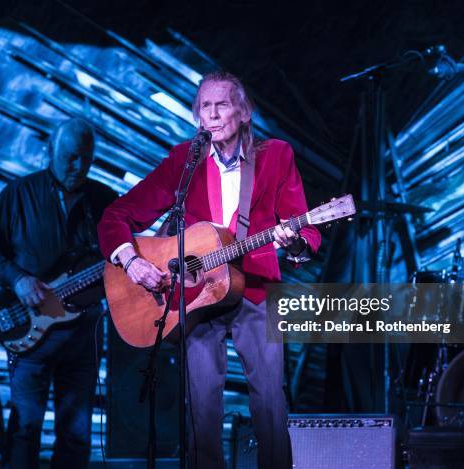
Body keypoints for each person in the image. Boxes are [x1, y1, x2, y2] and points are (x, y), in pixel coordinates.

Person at [98, 71, 321, 468]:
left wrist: (297, 243)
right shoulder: (185, 161)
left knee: (269, 400)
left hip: (255, 289)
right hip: (197, 294)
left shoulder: (276, 156)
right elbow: (117, 215)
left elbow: (304, 227)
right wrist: (131, 261)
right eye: (205, 106)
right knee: (201, 406)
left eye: (221, 105)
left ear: (245, 111)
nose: (212, 115)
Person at [0, 118, 118, 469]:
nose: (79, 166)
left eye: (86, 158)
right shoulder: (18, 195)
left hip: (82, 336)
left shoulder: (104, 201)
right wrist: (19, 279)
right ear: (49, 151)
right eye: (70, 157)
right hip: (30, 337)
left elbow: (124, 255)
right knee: (25, 428)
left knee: (77, 433)